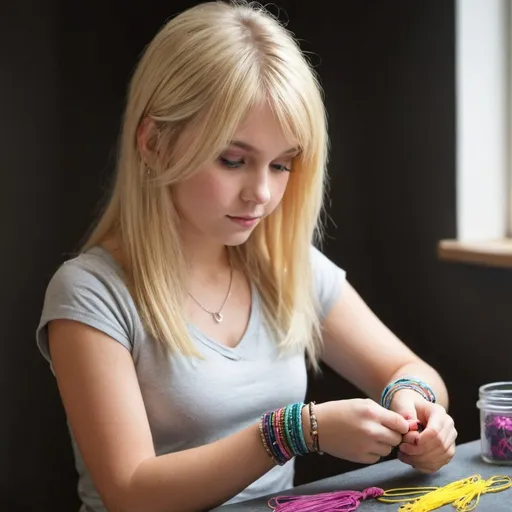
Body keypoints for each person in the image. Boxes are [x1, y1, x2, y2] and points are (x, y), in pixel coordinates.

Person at [36, 1, 458, 511]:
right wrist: (294, 433)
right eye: (233, 160)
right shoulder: (90, 293)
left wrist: (418, 406)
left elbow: (407, 367)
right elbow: (130, 492)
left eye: (282, 165)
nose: (260, 192)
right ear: (153, 143)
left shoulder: (287, 266)